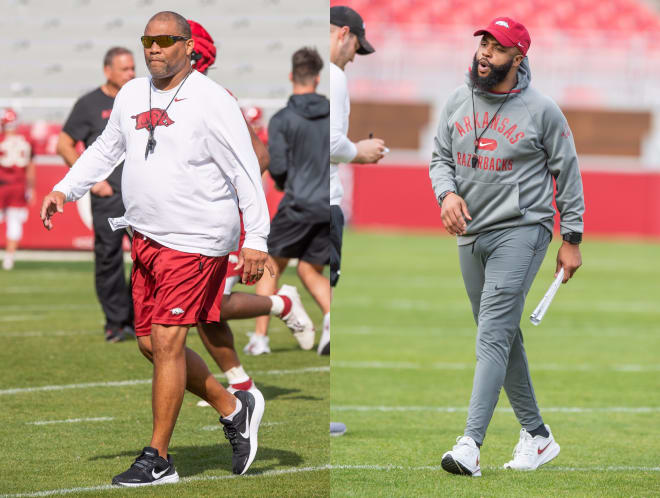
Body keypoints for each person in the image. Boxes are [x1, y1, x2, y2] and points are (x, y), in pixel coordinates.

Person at [41, 11, 272, 486]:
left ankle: (159, 459)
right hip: (145, 236)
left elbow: (246, 170)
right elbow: (105, 149)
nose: (154, 48)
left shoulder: (212, 99)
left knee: (168, 341)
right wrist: (66, 188)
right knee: (149, 344)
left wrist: (256, 240)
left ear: (189, 47)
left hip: (196, 239)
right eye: (149, 39)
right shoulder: (130, 93)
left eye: (166, 40)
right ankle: (234, 407)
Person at [429, 17, 584, 476]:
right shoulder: (457, 101)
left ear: (518, 58)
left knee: (492, 336)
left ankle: (469, 445)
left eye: (496, 48)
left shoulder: (543, 110)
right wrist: (446, 194)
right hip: (470, 233)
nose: (484, 53)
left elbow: (568, 173)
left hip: (523, 230)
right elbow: (439, 157)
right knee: (501, 334)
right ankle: (537, 436)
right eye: (483, 43)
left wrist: (570, 238)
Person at [183, 19, 314, 397]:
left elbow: (260, 156)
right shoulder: (174, 95)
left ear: (191, 51)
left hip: (217, 222)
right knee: (201, 311)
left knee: (205, 306)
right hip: (190, 222)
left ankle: (281, 302)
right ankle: (240, 383)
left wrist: (218, 189)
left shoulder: (212, 96)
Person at [248, 46, 330, 356]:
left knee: (269, 265)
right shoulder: (332, 114)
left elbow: (278, 167)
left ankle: (260, 338)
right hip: (327, 206)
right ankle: (330, 321)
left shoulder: (283, 119)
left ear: (291, 76)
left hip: (298, 204)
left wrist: (285, 183)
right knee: (311, 270)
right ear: (318, 79)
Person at [328, 5, 385, 433]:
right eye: (355, 48)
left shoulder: (308, 71)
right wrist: (358, 152)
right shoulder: (334, 76)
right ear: (344, 34)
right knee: (325, 294)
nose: (352, 57)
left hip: (299, 197)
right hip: (323, 201)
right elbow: (330, 141)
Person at [56, 47, 136, 342]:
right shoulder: (89, 104)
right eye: (125, 69)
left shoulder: (140, 99)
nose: (131, 74)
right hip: (109, 197)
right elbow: (64, 144)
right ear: (108, 71)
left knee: (147, 258)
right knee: (108, 259)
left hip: (141, 196)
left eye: (132, 68)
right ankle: (115, 323)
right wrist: (92, 180)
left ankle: (138, 318)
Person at [0, 108, 35, 271]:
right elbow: (30, 166)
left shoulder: (2, 139)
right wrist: (31, 188)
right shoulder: (26, 140)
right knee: (14, 223)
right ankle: (9, 259)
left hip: (3, 184)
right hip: (19, 185)